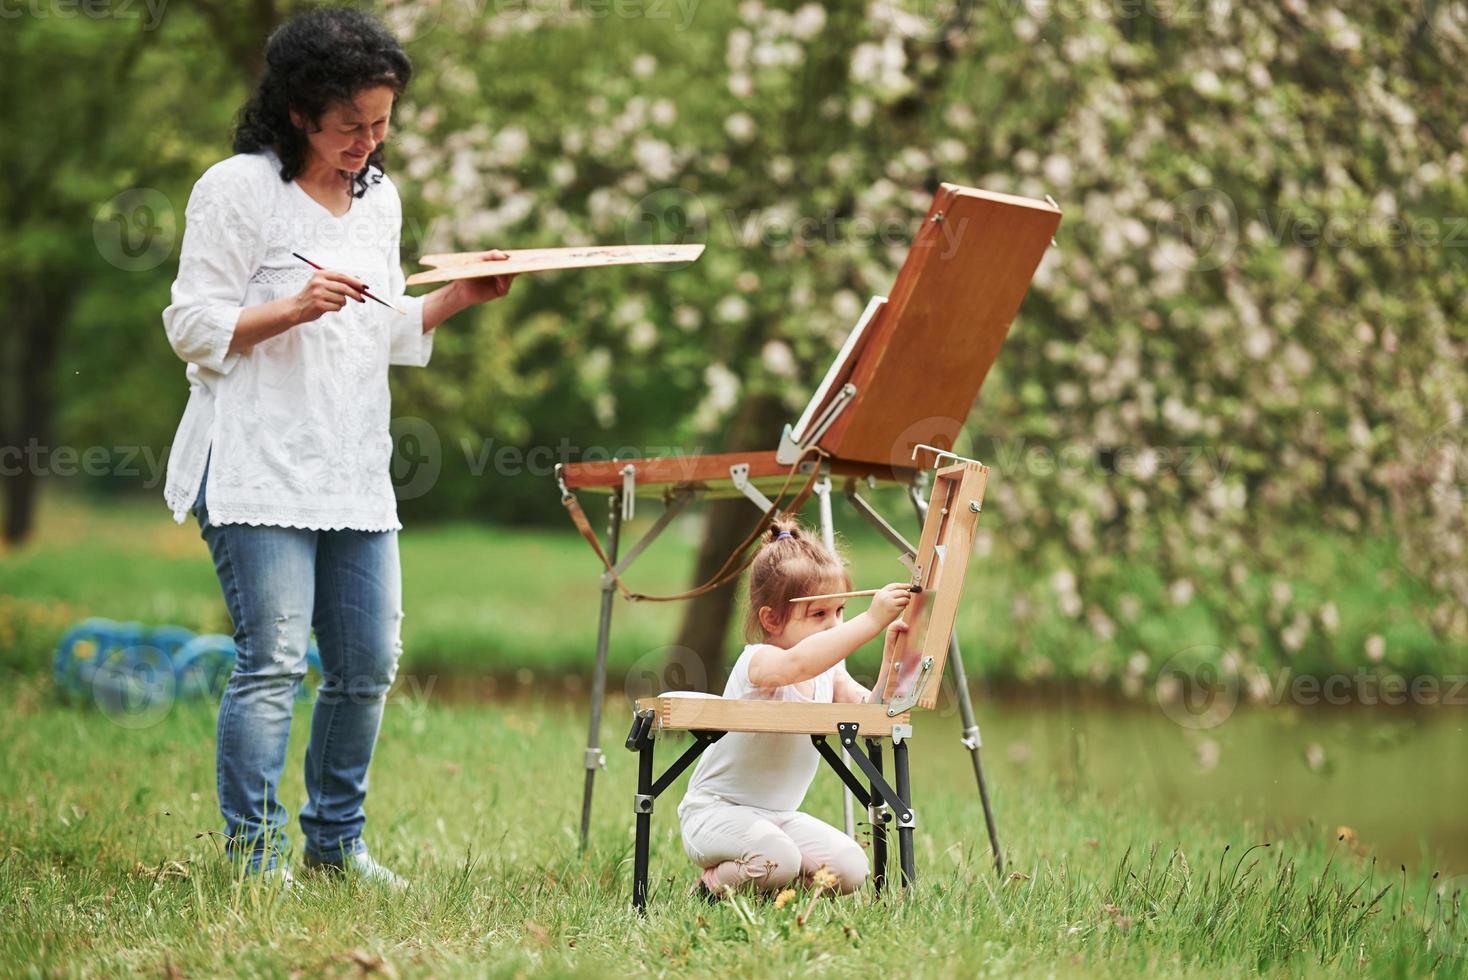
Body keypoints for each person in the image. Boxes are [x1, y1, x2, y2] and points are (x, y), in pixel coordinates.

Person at [159, 7, 513, 887]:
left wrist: (462, 296)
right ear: (297, 111)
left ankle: (336, 844)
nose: (367, 140)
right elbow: (190, 324)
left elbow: (382, 328)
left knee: (367, 666)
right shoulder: (236, 189)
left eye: (381, 122)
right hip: (252, 460)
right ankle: (255, 856)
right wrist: (291, 305)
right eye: (349, 123)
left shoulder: (377, 198)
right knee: (273, 661)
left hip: (351, 464)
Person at [677, 516, 914, 898]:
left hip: (778, 818)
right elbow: (797, 664)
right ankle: (710, 887)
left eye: (840, 611)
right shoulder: (760, 662)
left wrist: (890, 658)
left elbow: (872, 712)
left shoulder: (830, 673)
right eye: (819, 614)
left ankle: (773, 888)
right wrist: (871, 620)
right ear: (771, 619)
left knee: (850, 870)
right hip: (715, 813)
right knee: (778, 859)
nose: (834, 625)